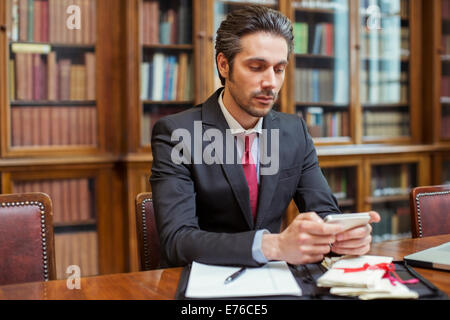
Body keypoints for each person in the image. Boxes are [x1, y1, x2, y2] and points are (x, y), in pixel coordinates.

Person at [150, 5, 380, 268]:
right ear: (224, 65)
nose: (271, 82)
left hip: (277, 281)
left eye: (279, 69)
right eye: (257, 67)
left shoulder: (294, 132)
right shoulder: (177, 133)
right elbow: (177, 241)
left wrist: (342, 235)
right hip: (204, 285)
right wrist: (274, 245)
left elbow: (324, 212)